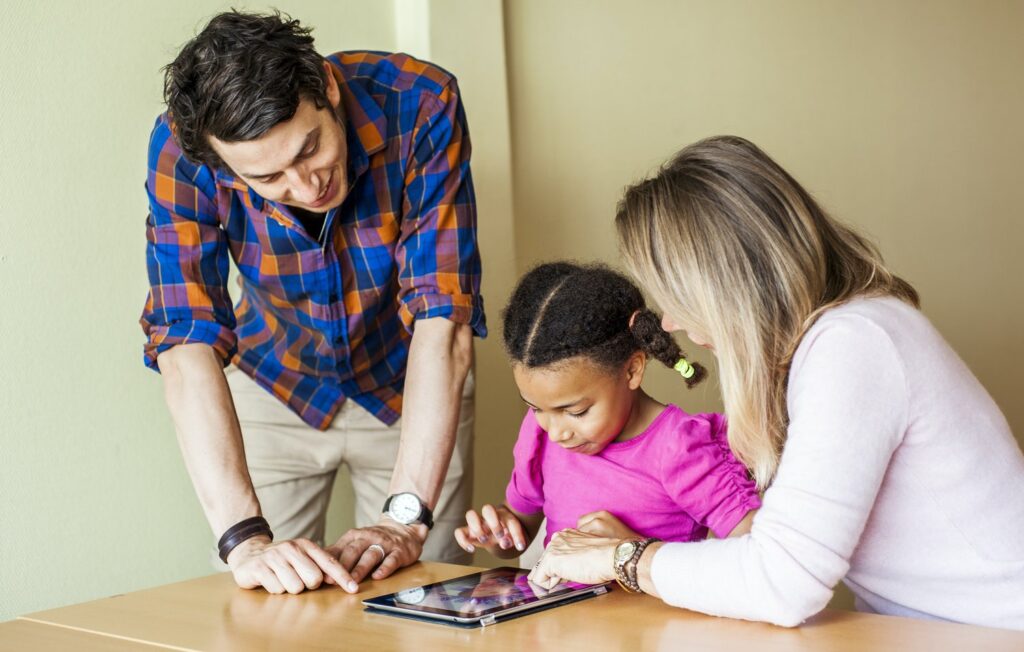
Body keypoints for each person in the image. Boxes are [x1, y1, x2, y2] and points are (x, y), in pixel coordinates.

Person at [529, 136, 1024, 630]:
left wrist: (623, 558)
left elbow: (782, 583)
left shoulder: (854, 346)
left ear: (727, 287)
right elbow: (774, 552)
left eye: (677, 299)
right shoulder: (833, 343)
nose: (673, 323)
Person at [139, 10, 485, 595]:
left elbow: (442, 316)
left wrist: (404, 519)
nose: (306, 188)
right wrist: (242, 538)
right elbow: (184, 338)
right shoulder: (181, 150)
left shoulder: (422, 102)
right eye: (268, 178)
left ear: (326, 86)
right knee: (266, 602)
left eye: (310, 150)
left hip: (409, 386)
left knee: (430, 606)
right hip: (275, 384)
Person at [454, 263, 760, 567]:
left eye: (576, 411)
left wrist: (634, 551)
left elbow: (759, 558)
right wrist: (500, 534)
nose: (557, 431)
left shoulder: (681, 448)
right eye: (535, 408)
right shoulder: (539, 433)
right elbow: (521, 522)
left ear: (632, 370)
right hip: (559, 613)